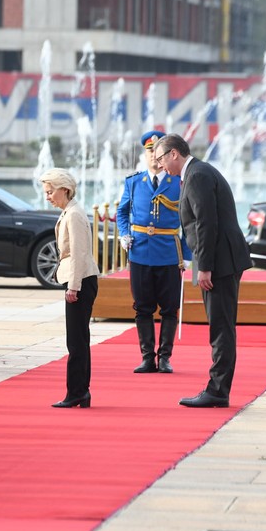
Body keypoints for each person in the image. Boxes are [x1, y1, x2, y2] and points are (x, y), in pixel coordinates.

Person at [152, 134, 252, 408]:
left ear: (174, 154)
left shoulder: (196, 175)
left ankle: (218, 391)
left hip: (218, 262)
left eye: (160, 159)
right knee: (221, 325)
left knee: (221, 327)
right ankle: (217, 388)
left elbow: (206, 224)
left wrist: (203, 267)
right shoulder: (198, 172)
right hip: (221, 258)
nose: (159, 165)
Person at [116, 130, 190, 374]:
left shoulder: (178, 182)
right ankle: (147, 357)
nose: (154, 158)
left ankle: (165, 357)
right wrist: (124, 233)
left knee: (169, 308)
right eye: (150, 152)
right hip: (140, 252)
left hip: (169, 252)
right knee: (143, 307)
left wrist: (188, 254)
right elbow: (122, 212)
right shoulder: (134, 182)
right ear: (145, 154)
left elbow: (189, 218)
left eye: (157, 153)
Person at [40, 168, 99, 408]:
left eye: (51, 191)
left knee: (76, 341)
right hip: (80, 278)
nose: (48, 196)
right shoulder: (70, 211)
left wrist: (73, 287)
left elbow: (79, 253)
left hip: (81, 280)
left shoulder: (73, 214)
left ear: (65, 189)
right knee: (78, 339)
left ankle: (76, 392)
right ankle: (79, 391)